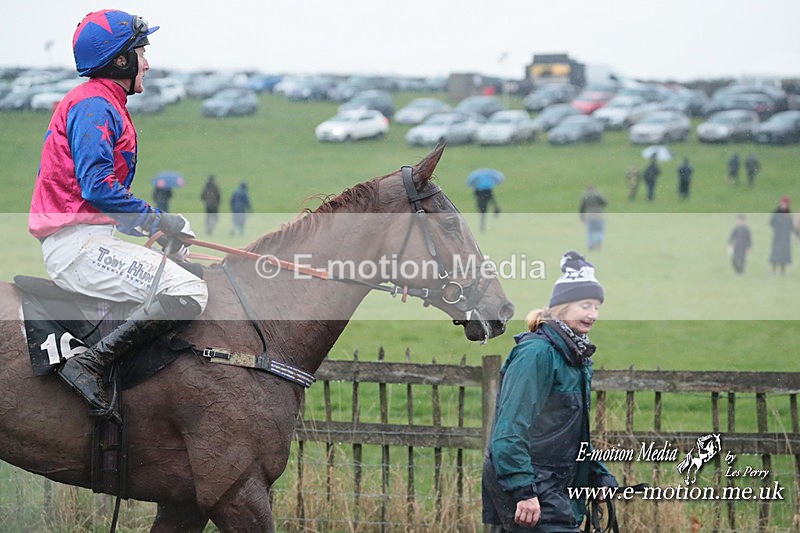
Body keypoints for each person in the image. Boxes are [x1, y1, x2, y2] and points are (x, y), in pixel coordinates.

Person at [28, 9, 208, 418]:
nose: (148, 62)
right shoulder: (94, 105)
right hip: (78, 248)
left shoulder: (103, 103)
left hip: (88, 240)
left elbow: (98, 195)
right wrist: (160, 220)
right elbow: (98, 187)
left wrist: (159, 229)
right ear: (121, 60)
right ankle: (88, 364)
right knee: (190, 292)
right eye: (141, 52)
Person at [483, 251, 618, 532]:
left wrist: (597, 475)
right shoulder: (537, 354)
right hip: (531, 490)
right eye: (585, 305)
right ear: (562, 307)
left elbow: (569, 432)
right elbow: (509, 430)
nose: (593, 314)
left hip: (555, 488)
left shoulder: (575, 357)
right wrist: (523, 489)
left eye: (596, 306)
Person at [769, 196, 795, 275]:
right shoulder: (776, 212)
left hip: (786, 237)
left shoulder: (788, 213)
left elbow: (791, 226)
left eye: (786, 204)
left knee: (784, 255)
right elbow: (771, 222)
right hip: (778, 237)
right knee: (776, 254)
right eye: (783, 203)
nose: (784, 205)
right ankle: (774, 270)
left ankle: (782, 271)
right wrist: (777, 228)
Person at [579, 185, 607, 251]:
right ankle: (598, 241)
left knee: (590, 231)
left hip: (589, 215)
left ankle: (590, 244)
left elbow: (582, 208)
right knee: (600, 230)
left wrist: (582, 217)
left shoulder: (585, 196)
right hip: (599, 214)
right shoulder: (598, 195)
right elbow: (605, 202)